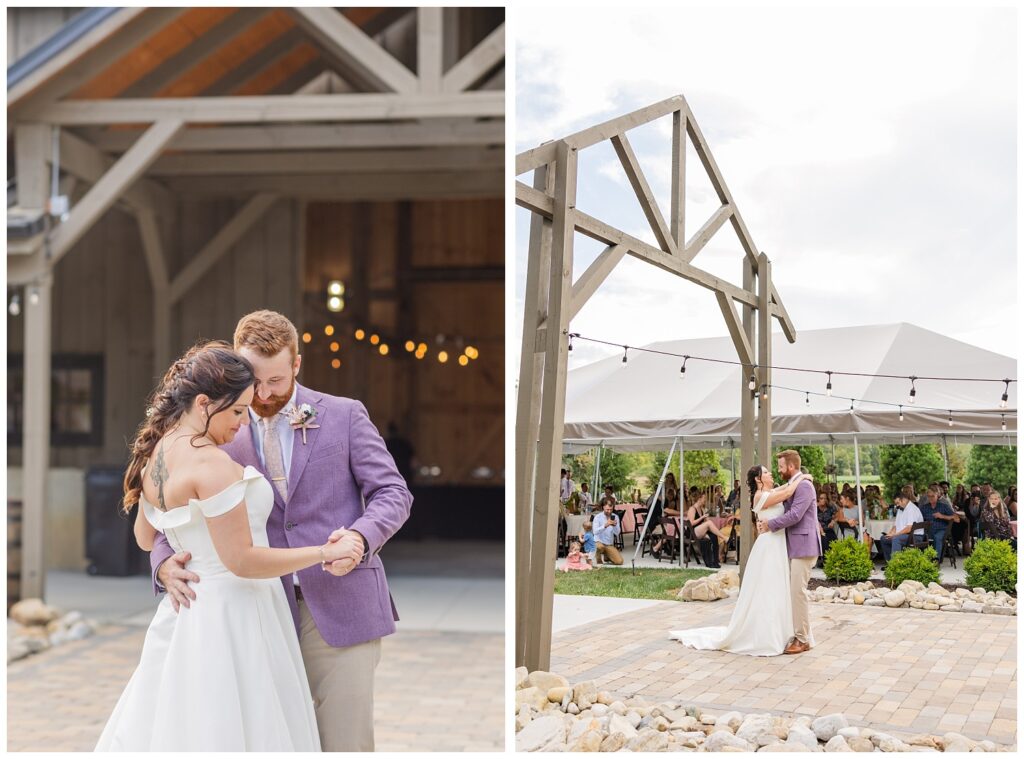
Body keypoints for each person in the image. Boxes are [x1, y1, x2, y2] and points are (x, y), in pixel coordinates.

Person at [151, 311, 412, 751]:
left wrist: (361, 537)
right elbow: (171, 502)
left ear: (296, 365)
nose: (265, 394)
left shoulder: (345, 415)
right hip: (254, 614)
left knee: (344, 743)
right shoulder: (214, 430)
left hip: (340, 603)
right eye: (256, 381)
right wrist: (162, 564)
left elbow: (392, 492)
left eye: (276, 380)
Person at [98, 341, 363, 750]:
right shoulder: (213, 464)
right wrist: (323, 552)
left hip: (187, 613)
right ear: (204, 403)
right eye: (238, 411)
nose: (243, 422)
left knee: (188, 723)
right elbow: (242, 560)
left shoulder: (158, 452)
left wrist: (169, 564)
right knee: (245, 726)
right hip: (237, 612)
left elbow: (145, 536)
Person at [670, 459, 811, 656]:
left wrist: (797, 479)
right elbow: (788, 492)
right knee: (767, 589)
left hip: (778, 546)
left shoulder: (771, 492)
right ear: (758, 480)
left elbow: (787, 490)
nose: (771, 474)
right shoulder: (760, 497)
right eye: (767, 472)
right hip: (768, 546)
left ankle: (781, 631)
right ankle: (766, 635)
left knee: (778, 588)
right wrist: (803, 477)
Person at [877, 493, 925, 565]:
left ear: (903, 500)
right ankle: (889, 563)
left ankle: (896, 565)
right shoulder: (900, 509)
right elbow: (896, 525)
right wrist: (890, 533)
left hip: (915, 536)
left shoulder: (912, 509)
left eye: (897, 503)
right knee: (884, 538)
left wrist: (895, 535)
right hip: (905, 535)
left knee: (897, 539)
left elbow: (909, 528)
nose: (897, 505)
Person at [685, 492, 730, 569]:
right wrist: (702, 517)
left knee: (714, 536)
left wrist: (706, 518)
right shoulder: (692, 509)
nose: (705, 500)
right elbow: (691, 523)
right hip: (692, 532)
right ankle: (725, 538)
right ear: (699, 499)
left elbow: (706, 522)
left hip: (699, 531)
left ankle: (714, 561)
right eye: (704, 498)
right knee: (709, 524)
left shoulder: (702, 508)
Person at [919, 485, 957, 557]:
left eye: (933, 496)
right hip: (929, 530)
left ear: (937, 495)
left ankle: (936, 561)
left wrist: (942, 516)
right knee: (919, 537)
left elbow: (957, 519)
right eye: (929, 496)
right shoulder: (924, 507)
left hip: (941, 530)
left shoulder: (943, 506)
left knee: (937, 537)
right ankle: (924, 560)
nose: (930, 498)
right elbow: (919, 520)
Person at [816, 491, 839, 567]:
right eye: (821, 498)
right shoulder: (815, 509)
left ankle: (834, 559)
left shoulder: (830, 508)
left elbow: (837, 515)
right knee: (824, 539)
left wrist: (833, 521)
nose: (823, 500)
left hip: (828, 529)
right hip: (817, 530)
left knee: (833, 538)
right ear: (818, 499)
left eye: (825, 498)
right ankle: (825, 561)